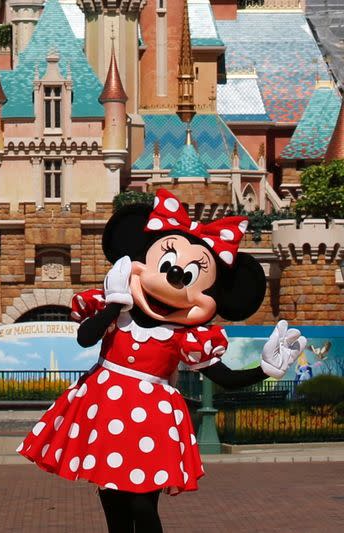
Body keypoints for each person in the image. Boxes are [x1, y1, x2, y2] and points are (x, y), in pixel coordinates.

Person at [18, 189, 306, 532]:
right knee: (112, 502)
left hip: (150, 423)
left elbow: (225, 378)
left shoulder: (185, 336)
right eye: (168, 266)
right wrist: (114, 301)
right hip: (104, 411)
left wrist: (265, 369)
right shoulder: (118, 313)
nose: (173, 279)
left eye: (188, 276)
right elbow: (85, 337)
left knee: (142, 504)